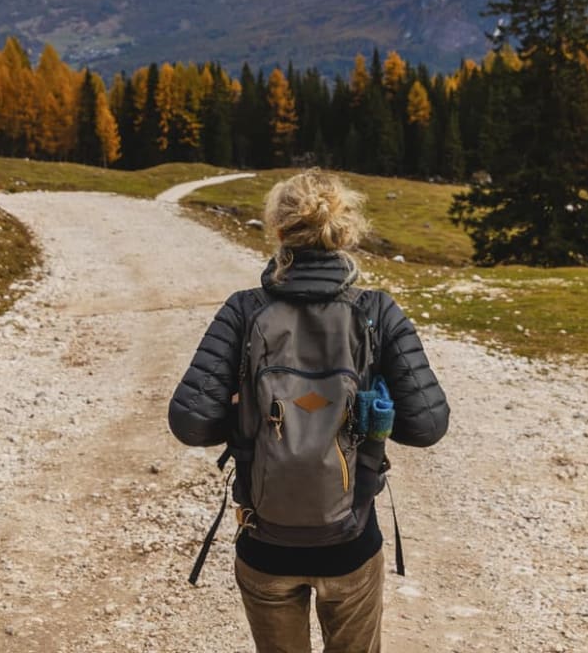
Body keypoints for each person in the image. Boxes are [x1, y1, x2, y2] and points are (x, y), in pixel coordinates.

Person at [168, 169, 449, 653]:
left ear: (279, 231)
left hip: (265, 543)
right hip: (351, 540)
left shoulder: (244, 311)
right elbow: (427, 426)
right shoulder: (377, 312)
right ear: (345, 232)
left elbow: (190, 424)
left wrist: (245, 415)